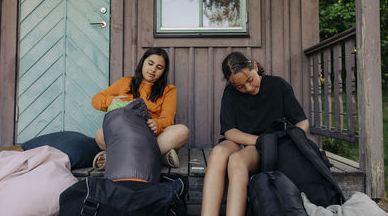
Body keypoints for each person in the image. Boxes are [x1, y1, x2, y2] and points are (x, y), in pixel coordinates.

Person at [201, 52, 309, 216]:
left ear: (255, 67)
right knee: (217, 153)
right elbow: (230, 131)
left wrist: (291, 140)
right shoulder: (230, 92)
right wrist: (258, 140)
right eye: (240, 87)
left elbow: (302, 121)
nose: (248, 88)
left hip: (268, 145)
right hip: (246, 140)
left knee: (237, 160)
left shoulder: (278, 85)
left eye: (250, 80)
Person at [91, 47, 189, 168]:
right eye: (150, 63)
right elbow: (95, 99)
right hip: (125, 134)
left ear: (163, 71)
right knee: (99, 134)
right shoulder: (125, 82)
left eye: (159, 67)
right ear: (143, 63)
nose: (153, 69)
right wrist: (110, 100)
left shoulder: (169, 90)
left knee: (182, 131)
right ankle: (159, 157)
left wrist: (157, 124)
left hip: (152, 137)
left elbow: (168, 119)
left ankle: (115, 158)